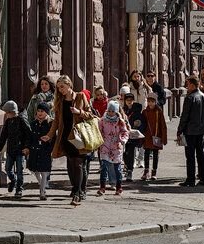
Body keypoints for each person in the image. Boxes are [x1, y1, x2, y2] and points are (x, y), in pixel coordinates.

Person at [43, 75, 96, 206]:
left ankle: (78, 192)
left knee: (78, 163)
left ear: (69, 85)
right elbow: (56, 121)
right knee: (71, 165)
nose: (60, 90)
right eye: (58, 88)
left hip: (79, 136)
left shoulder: (80, 97)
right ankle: (77, 189)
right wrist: (49, 135)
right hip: (65, 137)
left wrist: (79, 112)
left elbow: (91, 115)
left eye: (62, 87)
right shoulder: (60, 101)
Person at [176, 76, 204, 187]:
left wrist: (179, 130)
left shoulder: (190, 98)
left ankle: (190, 179)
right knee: (201, 155)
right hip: (201, 131)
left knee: (190, 156)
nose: (187, 87)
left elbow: (185, 116)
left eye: (188, 84)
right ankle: (203, 179)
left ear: (192, 85)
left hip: (190, 131)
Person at [0, 100, 33, 199]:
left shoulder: (21, 120)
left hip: (20, 150)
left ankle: (19, 189)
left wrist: (27, 147)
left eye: (7, 113)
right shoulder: (8, 122)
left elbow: (29, 134)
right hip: (11, 150)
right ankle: (13, 180)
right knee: (8, 168)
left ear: (12, 112)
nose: (6, 115)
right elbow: (3, 136)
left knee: (20, 170)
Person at [97, 101, 130, 196]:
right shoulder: (102, 120)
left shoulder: (120, 121)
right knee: (104, 167)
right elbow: (99, 131)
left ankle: (119, 187)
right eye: (109, 111)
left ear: (116, 111)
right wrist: (100, 140)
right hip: (105, 146)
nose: (111, 113)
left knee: (117, 168)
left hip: (116, 147)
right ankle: (102, 187)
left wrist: (122, 140)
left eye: (113, 111)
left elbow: (125, 132)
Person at [26, 102, 54, 200]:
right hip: (34, 150)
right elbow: (29, 137)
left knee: (44, 172)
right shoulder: (33, 124)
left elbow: (54, 138)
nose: (40, 113)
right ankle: (41, 182)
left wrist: (51, 150)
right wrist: (28, 147)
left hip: (45, 151)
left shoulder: (51, 123)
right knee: (34, 170)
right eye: (38, 111)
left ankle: (42, 193)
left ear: (46, 112)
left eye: (42, 111)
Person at [140, 92, 167, 182]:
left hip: (156, 136)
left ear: (155, 102)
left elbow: (163, 125)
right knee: (146, 153)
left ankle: (154, 172)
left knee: (155, 154)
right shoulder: (145, 112)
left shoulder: (158, 111)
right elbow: (142, 125)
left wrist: (164, 137)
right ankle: (146, 171)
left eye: (152, 101)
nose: (150, 103)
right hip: (147, 136)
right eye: (149, 101)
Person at [123, 93, 145, 183]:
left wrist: (137, 125)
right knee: (124, 153)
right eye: (127, 100)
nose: (129, 102)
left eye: (131, 100)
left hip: (132, 135)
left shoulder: (136, 111)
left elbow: (141, 122)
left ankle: (129, 171)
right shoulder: (123, 110)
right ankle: (126, 166)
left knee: (131, 153)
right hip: (123, 134)